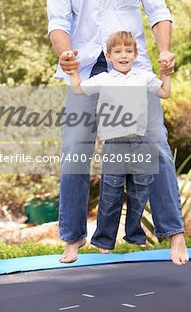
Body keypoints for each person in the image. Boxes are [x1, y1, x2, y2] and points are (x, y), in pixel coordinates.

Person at [47, 0, 189, 265]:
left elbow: (159, 11)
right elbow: (58, 23)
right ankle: (73, 239)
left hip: (132, 71)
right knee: (75, 153)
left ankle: (174, 234)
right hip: (88, 71)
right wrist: (65, 53)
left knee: (156, 147)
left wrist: (163, 51)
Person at [65, 31, 171, 252]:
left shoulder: (143, 76)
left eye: (128, 51)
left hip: (141, 143)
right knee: (111, 193)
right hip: (114, 144)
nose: (123, 56)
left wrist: (165, 73)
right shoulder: (103, 79)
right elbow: (77, 90)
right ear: (109, 55)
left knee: (139, 191)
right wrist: (74, 71)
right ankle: (104, 239)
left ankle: (134, 233)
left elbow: (164, 92)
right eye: (118, 52)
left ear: (135, 54)